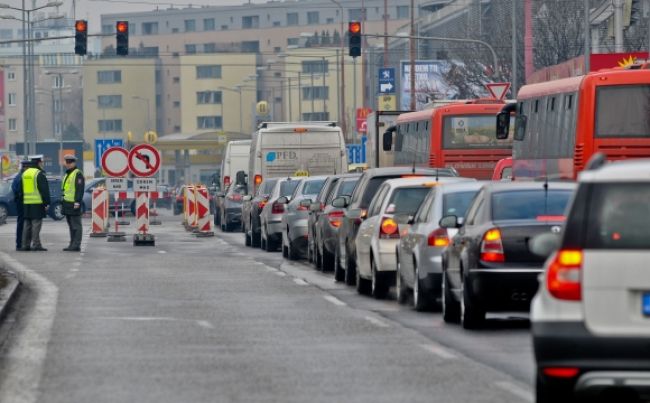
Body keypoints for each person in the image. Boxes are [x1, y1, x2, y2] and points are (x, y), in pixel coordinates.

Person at [21, 155, 50, 251]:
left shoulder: (25, 173)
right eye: (41, 162)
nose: (42, 164)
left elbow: (21, 190)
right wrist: (46, 203)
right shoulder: (39, 174)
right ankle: (36, 245)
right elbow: (44, 190)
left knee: (27, 225)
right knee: (36, 225)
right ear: (39, 162)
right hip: (37, 203)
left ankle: (25, 245)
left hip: (26, 203)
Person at [61, 154, 84, 252]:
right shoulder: (67, 174)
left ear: (74, 163)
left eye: (70, 162)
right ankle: (72, 244)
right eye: (67, 162)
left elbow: (79, 189)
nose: (68, 164)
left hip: (74, 203)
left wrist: (77, 202)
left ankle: (76, 245)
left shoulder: (77, 173)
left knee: (76, 226)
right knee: (71, 225)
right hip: (67, 203)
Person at [11, 160, 31, 251]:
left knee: (21, 223)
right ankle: (21, 244)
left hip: (19, 202)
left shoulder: (17, 177)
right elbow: (21, 191)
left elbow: (14, 189)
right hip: (22, 202)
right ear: (25, 167)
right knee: (23, 224)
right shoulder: (22, 177)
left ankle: (19, 244)